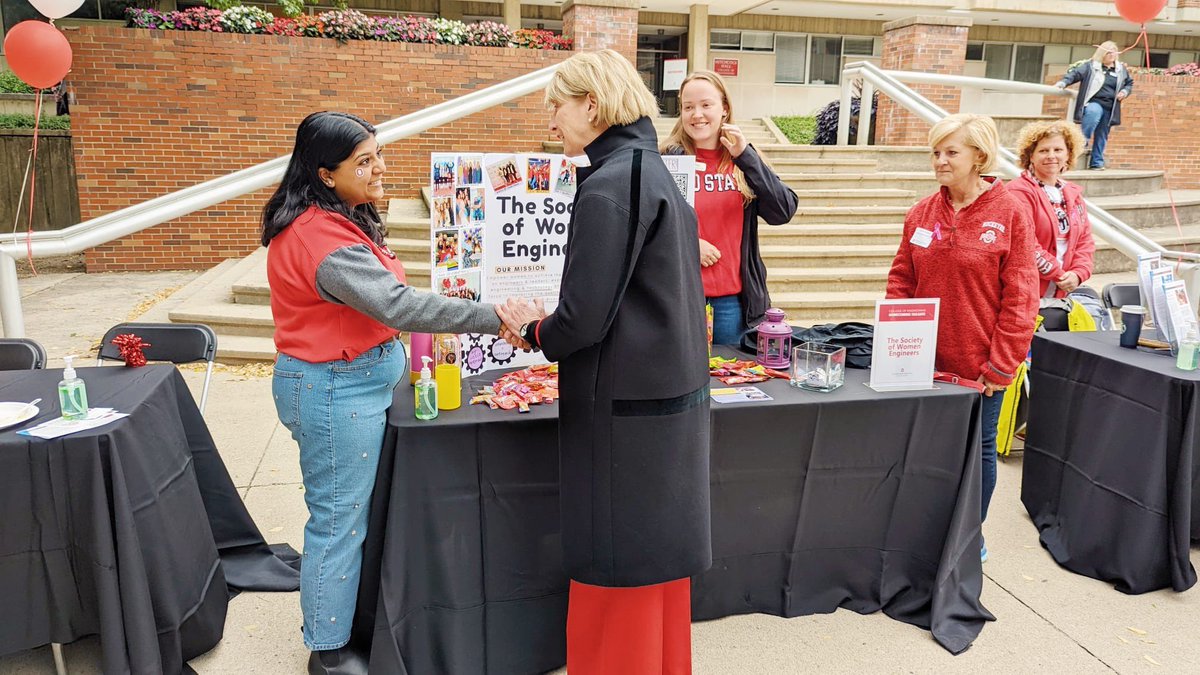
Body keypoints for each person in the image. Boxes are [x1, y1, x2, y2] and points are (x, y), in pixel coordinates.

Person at [261, 111, 511, 675]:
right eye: (364, 161)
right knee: (338, 519)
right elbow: (399, 305)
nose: (380, 169)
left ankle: (353, 618)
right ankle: (327, 651)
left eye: (378, 154)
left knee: (359, 513)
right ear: (325, 174)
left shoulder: (340, 217)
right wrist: (495, 316)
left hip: (360, 380)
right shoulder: (319, 238)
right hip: (334, 390)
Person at [496, 49, 710, 674]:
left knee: (621, 569)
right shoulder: (649, 168)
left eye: (556, 107)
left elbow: (583, 320)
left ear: (591, 103)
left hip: (625, 420)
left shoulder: (612, 183)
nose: (552, 122)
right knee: (654, 569)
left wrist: (533, 328)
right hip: (658, 409)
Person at [885, 113, 1038, 563]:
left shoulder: (1010, 212)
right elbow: (901, 280)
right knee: (927, 452)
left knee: (979, 451)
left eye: (950, 151)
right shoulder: (922, 212)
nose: (940, 160)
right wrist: (898, 344)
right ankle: (929, 531)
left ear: (979, 156)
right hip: (922, 363)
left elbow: (1022, 296)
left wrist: (1001, 363)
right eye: (936, 152)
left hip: (980, 367)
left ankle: (970, 534)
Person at [661, 70, 798, 345]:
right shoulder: (667, 159)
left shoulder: (743, 158)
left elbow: (783, 210)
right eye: (688, 107)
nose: (696, 114)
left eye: (706, 105)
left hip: (733, 305)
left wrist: (746, 156)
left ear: (724, 109)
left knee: (730, 383)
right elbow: (647, 223)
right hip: (680, 300)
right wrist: (688, 241)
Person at [1008, 120, 1096, 329]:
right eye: (1043, 150)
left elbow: (1085, 242)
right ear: (1030, 155)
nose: (1051, 156)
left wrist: (1077, 274)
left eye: (1058, 149)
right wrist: (1058, 274)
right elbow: (1025, 243)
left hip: (1060, 295)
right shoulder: (1018, 191)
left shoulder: (1072, 194)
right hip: (1025, 294)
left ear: (1068, 154)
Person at [1055, 41, 1134, 171]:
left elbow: (1129, 83)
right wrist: (1063, 83)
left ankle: (1096, 162)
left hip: (1110, 106)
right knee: (1093, 115)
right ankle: (1081, 143)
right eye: (1108, 52)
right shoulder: (1091, 66)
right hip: (1094, 102)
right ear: (1102, 53)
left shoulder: (1121, 69)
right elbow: (1075, 74)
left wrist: (1124, 92)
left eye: (1114, 51)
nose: (1112, 54)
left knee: (1102, 134)